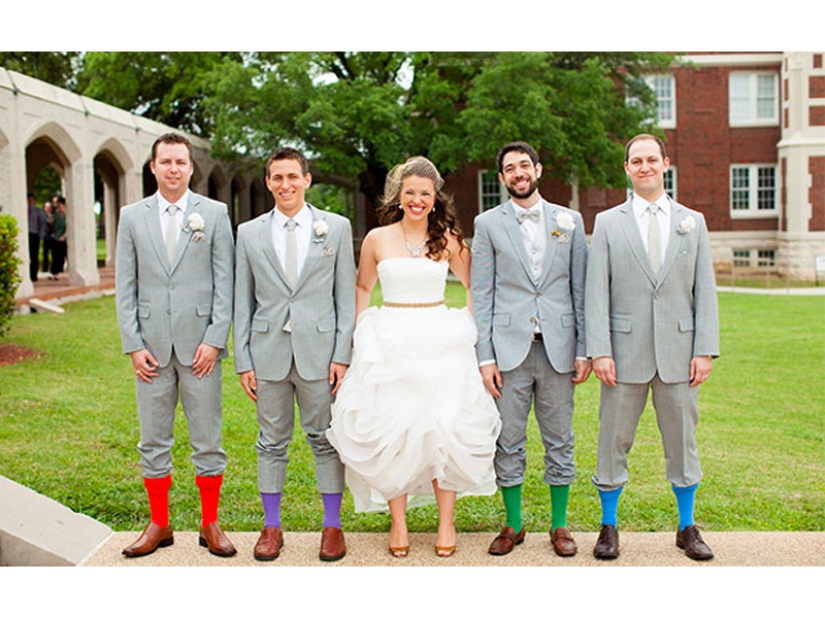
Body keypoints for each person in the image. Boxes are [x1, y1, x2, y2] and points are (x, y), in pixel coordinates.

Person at [327, 156, 501, 558]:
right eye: (411, 193)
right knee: (395, 431)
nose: (418, 200)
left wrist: (468, 326)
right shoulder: (377, 239)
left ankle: (446, 521)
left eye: (425, 194)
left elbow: (476, 286)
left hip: (440, 340)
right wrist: (360, 335)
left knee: (444, 430)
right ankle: (399, 522)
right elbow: (362, 289)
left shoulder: (449, 238)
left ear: (435, 198)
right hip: (391, 342)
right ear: (399, 197)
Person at [586, 134, 719, 561]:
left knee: (683, 442)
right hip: (622, 355)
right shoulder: (608, 223)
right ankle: (609, 526)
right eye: (635, 161)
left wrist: (704, 349)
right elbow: (596, 292)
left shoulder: (692, 221)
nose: (644, 167)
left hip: (680, 353)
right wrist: (599, 350)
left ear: (665, 163)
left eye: (651, 160)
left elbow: (706, 291)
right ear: (626, 168)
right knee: (612, 441)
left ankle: (687, 526)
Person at [115, 132, 236, 558]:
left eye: (180, 162)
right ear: (153, 167)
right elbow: (125, 286)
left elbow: (227, 284)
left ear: (190, 168)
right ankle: (159, 524)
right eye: (165, 162)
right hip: (150, 348)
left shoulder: (215, 215)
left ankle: (209, 523)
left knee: (207, 438)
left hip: (200, 349)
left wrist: (213, 340)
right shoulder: (132, 217)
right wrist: (133, 345)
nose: (173, 169)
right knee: (153, 440)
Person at [234, 147, 356, 562]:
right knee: (270, 442)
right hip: (267, 352)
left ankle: (332, 526)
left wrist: (342, 354)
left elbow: (345, 298)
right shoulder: (248, 233)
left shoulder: (335, 228)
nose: (285, 184)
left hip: (321, 354)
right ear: (268, 182)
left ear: (307, 179)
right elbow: (241, 301)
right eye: (277, 177)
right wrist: (243, 359)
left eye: (292, 176)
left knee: (325, 440)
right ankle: (271, 527)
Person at [471, 141, 589, 558]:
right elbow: (481, 294)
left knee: (560, 439)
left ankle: (559, 526)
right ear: (502, 178)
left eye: (525, 165)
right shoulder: (486, 224)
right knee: (510, 439)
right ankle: (514, 523)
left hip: (559, 348)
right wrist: (484, 357)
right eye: (510, 168)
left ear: (537, 169)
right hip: (508, 352)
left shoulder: (568, 220)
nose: (519, 173)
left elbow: (580, 289)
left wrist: (584, 350)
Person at [27, 193, 47, 281]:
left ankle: (33, 275)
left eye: (32, 200)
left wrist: (40, 234)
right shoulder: (23, 210)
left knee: (34, 255)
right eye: (29, 200)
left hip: (34, 234)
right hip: (26, 234)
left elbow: (43, 223)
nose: (30, 202)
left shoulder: (38, 211)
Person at [49, 196, 67, 280]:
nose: (59, 207)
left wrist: (64, 236)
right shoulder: (56, 215)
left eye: (60, 205)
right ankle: (54, 273)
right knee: (55, 256)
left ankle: (59, 271)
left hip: (63, 239)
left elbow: (68, 227)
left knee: (61, 256)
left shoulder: (67, 216)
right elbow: (52, 225)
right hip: (56, 238)